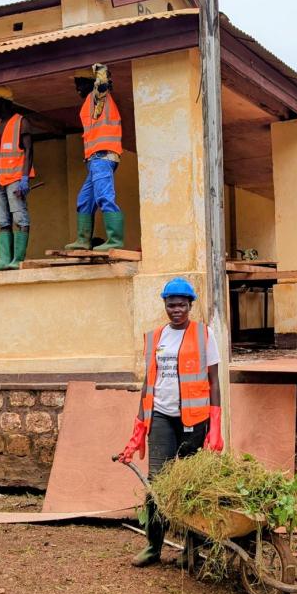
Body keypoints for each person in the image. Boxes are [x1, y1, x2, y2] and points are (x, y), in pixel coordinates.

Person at [117, 277, 224, 567]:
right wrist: (140, 425)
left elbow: (214, 381)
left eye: (181, 305)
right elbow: (148, 382)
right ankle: (153, 546)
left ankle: (192, 549)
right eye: (171, 305)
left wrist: (215, 423)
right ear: (165, 305)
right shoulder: (155, 337)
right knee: (157, 483)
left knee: (191, 484)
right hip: (161, 417)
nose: (176, 310)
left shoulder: (204, 334)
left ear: (190, 306)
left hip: (194, 420)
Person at [65, 63, 125, 252]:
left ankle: (115, 240)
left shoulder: (98, 97)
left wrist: (101, 72)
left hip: (103, 157)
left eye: (80, 82)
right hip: (95, 160)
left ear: (91, 83)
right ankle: (83, 240)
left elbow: (102, 86)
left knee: (104, 197)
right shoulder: (91, 102)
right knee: (84, 199)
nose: (77, 87)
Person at [0, 86, 35, 270]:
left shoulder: (21, 122)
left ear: (3, 102)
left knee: (20, 218)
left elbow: (29, 150)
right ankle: (5, 259)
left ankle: (18, 259)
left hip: (15, 178)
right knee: (3, 221)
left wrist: (24, 177)